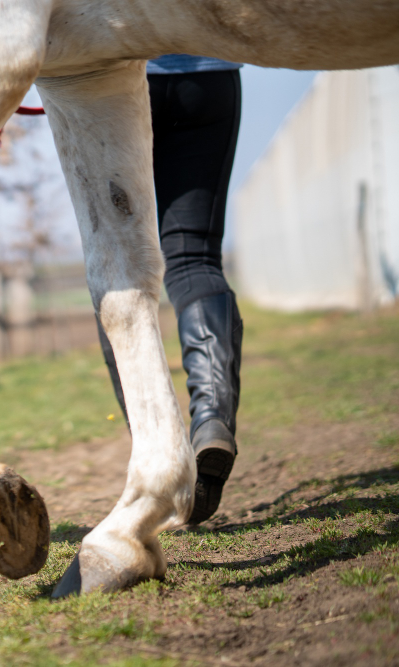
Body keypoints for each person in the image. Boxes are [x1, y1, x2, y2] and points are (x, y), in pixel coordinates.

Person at [98, 55, 244, 524]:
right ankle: (211, 419)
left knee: (116, 270)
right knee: (194, 257)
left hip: (107, 79)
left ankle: (158, 447)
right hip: (206, 70)